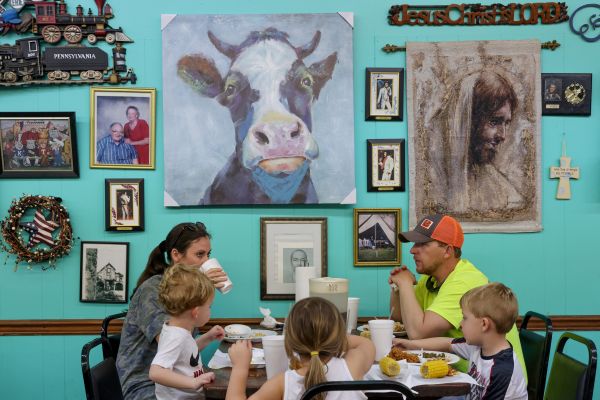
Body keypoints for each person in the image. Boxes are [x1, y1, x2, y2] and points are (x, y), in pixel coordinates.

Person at [388, 213, 526, 375]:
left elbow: (418, 334)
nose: (412, 250)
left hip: (490, 380)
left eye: (422, 244)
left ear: (447, 250)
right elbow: (399, 319)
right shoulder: (430, 279)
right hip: (456, 373)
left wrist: (405, 284)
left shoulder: (464, 282)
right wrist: (397, 289)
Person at [117, 222, 229, 400]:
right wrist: (199, 285)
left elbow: (183, 347)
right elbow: (169, 341)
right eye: (200, 254)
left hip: (176, 381)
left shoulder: (188, 290)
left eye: (208, 254)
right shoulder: (153, 289)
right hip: (146, 384)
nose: (206, 261)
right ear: (176, 254)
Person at [394, 283, 527, 399]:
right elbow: (447, 343)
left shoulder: (502, 370)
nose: (460, 323)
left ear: (484, 324)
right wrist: (410, 345)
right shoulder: (479, 347)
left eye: (465, 318)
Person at [226, 297, 375, 400]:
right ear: (338, 336)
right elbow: (365, 343)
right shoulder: (353, 367)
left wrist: (240, 367)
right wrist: (330, 337)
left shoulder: (281, 383)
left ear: (290, 341)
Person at [426, 70, 525, 214]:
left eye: (506, 123)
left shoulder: (500, 188)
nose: (502, 135)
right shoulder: (432, 176)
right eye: (494, 121)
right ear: (470, 121)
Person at [149, 264, 224, 400]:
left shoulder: (176, 330)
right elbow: (156, 372)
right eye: (209, 307)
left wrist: (208, 337)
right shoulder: (176, 336)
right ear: (196, 312)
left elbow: (187, 353)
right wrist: (193, 382)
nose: (210, 311)